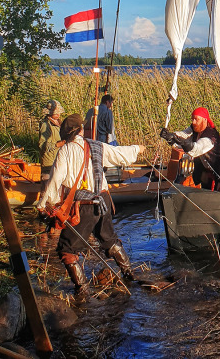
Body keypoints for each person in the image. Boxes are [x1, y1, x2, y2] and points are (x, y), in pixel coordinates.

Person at [37, 114, 144, 295]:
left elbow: (55, 180)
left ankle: (83, 292)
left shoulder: (65, 151)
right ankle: (129, 274)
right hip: (104, 201)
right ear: (80, 130)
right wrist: (138, 148)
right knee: (109, 240)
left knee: (67, 249)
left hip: (84, 206)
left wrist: (43, 204)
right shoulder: (96, 146)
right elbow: (120, 154)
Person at [160, 107, 220, 191]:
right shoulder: (195, 128)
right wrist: (170, 136)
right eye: (192, 119)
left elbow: (197, 149)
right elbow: (184, 134)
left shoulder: (211, 136)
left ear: (205, 120)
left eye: (196, 119)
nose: (193, 122)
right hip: (206, 174)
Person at [38, 100, 64, 194]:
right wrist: (57, 145)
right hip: (49, 162)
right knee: (47, 189)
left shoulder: (59, 124)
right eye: (55, 113)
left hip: (58, 161)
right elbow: (42, 145)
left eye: (58, 112)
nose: (58, 114)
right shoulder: (46, 125)